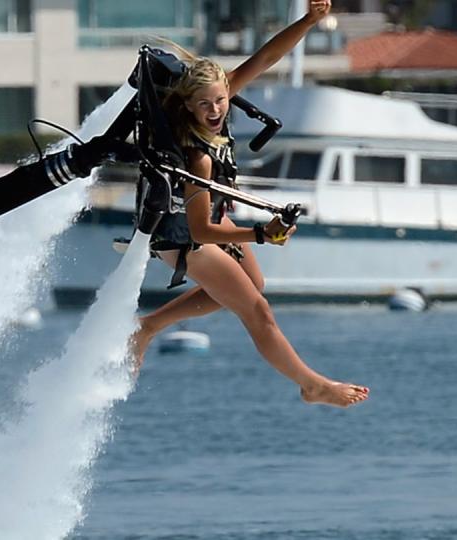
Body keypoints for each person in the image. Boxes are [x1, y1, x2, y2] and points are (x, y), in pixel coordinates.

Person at [130, 0, 369, 408]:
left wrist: (309, 21)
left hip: (209, 229)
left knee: (253, 287)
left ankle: (147, 327)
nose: (215, 110)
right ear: (188, 104)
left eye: (221, 100)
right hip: (184, 239)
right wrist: (260, 233)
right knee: (257, 310)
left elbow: (268, 56)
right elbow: (201, 230)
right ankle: (312, 385)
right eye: (204, 104)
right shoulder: (198, 157)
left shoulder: (220, 103)